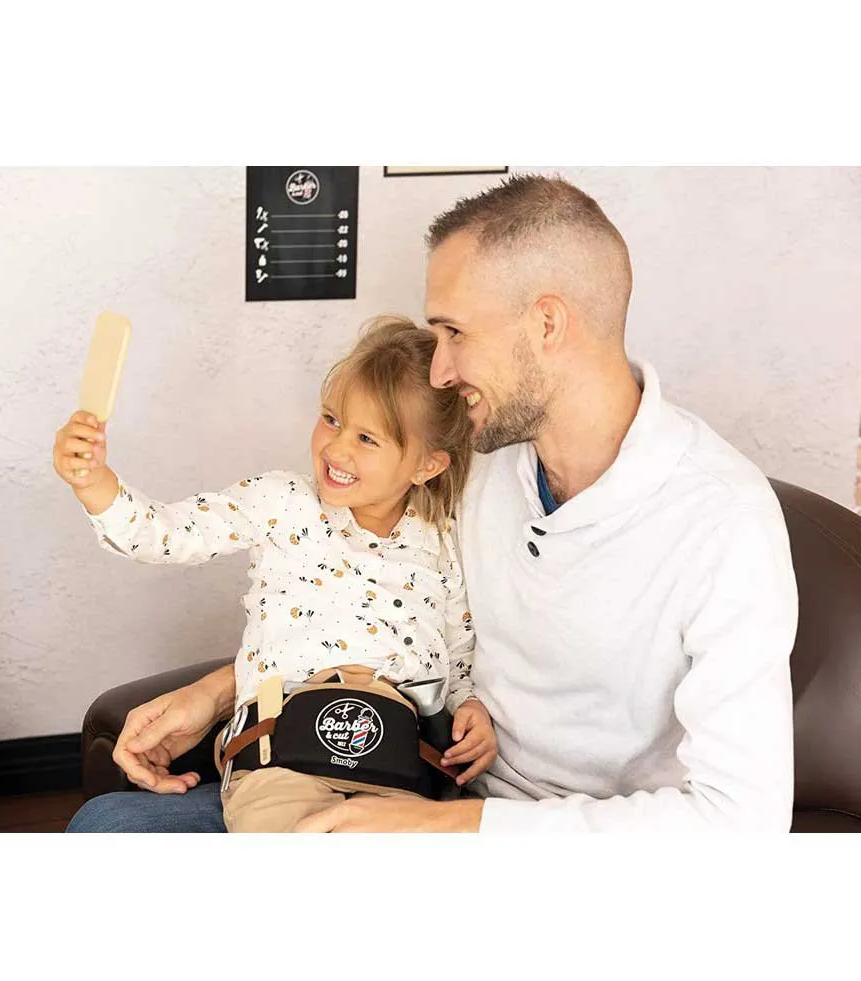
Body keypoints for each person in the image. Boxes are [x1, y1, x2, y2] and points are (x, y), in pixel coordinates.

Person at [67, 172, 798, 834]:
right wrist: (220, 693)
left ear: (546, 324)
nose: (439, 371)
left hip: (539, 836)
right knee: (108, 826)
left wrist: (443, 831)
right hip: (407, 777)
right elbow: (367, 599)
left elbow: (743, 820)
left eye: (454, 333)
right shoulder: (475, 465)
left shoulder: (724, 523)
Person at [56, 317, 497, 832]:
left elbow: (456, 650)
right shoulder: (282, 502)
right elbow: (166, 534)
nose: (337, 449)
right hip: (279, 755)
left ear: (427, 466)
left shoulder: (441, 541)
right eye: (331, 419)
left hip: (398, 762)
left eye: (367, 438)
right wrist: (93, 482)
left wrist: (469, 706)